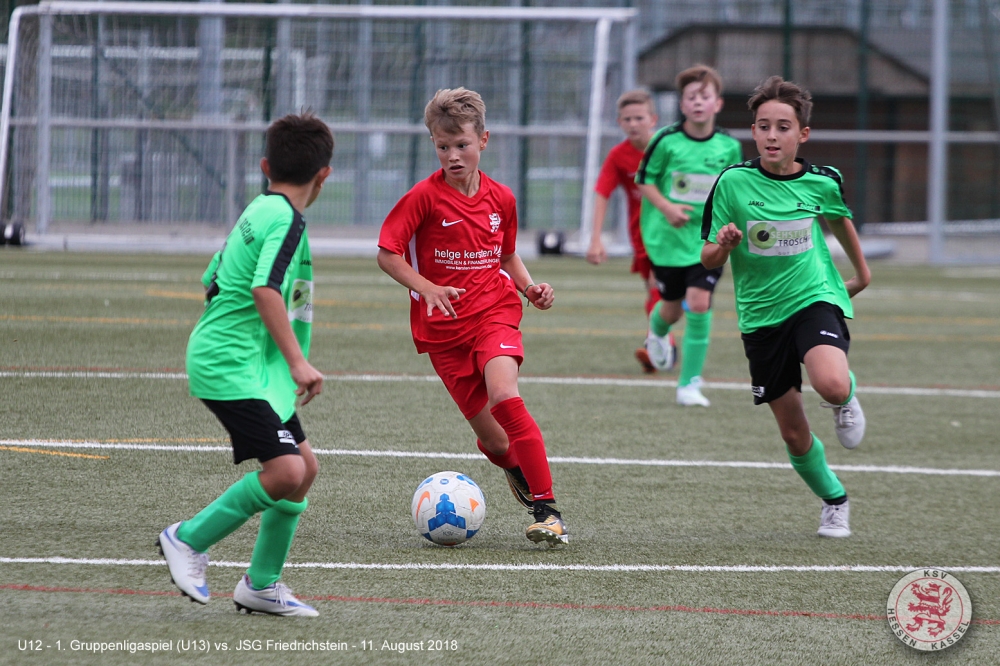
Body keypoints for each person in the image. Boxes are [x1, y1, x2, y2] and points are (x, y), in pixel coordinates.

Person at [158, 112, 334, 615]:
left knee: (304, 470)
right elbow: (263, 289)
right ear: (324, 175)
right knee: (286, 470)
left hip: (249, 366)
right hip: (230, 366)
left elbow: (212, 278)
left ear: (265, 166)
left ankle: (260, 585)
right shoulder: (286, 220)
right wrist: (298, 362)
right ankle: (188, 538)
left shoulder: (258, 208)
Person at [376, 87, 567, 547]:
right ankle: (515, 468)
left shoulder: (501, 198)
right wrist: (427, 287)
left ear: (483, 139)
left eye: (461, 145)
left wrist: (529, 288)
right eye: (443, 147)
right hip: (443, 332)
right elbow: (387, 254)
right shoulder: (423, 197)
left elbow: (506, 254)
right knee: (497, 444)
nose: (453, 156)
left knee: (504, 394)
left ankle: (549, 511)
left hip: (494, 313)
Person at [701, 75, 870, 538]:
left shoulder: (822, 181)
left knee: (830, 382)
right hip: (760, 316)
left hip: (813, 295)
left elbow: (840, 220)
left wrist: (861, 273)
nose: (772, 136)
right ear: (753, 132)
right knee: (793, 433)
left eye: (783, 127)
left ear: (803, 134)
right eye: (763, 127)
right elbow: (708, 257)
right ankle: (835, 500)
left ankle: (845, 396)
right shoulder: (733, 182)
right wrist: (724, 244)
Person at [635, 64, 742, 406]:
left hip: (707, 241)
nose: (697, 102)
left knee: (698, 302)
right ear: (682, 104)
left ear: (717, 103)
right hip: (667, 241)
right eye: (691, 97)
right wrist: (667, 208)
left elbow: (732, 190)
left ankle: (689, 385)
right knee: (671, 308)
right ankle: (657, 331)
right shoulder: (665, 141)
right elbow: (644, 180)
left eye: (704, 96)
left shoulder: (728, 146)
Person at [586, 89, 674, 374]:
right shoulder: (618, 155)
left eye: (639, 118)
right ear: (619, 122)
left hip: (674, 232)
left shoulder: (669, 148)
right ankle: (663, 347)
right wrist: (596, 239)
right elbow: (602, 192)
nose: (634, 124)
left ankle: (658, 345)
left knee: (660, 288)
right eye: (627, 119)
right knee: (655, 291)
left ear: (653, 119)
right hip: (642, 235)